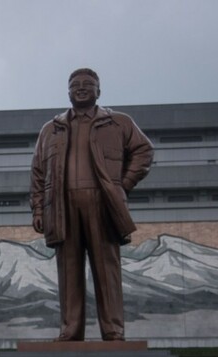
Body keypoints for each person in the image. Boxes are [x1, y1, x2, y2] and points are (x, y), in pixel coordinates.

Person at [30, 68, 154, 341]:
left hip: (103, 204)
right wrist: (38, 209)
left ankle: (113, 329)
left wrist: (123, 183)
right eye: (75, 84)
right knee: (68, 269)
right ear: (68, 91)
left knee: (106, 268)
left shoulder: (118, 122)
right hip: (62, 206)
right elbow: (38, 172)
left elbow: (144, 151)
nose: (81, 88)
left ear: (99, 91)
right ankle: (70, 329)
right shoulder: (51, 129)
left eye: (88, 84)